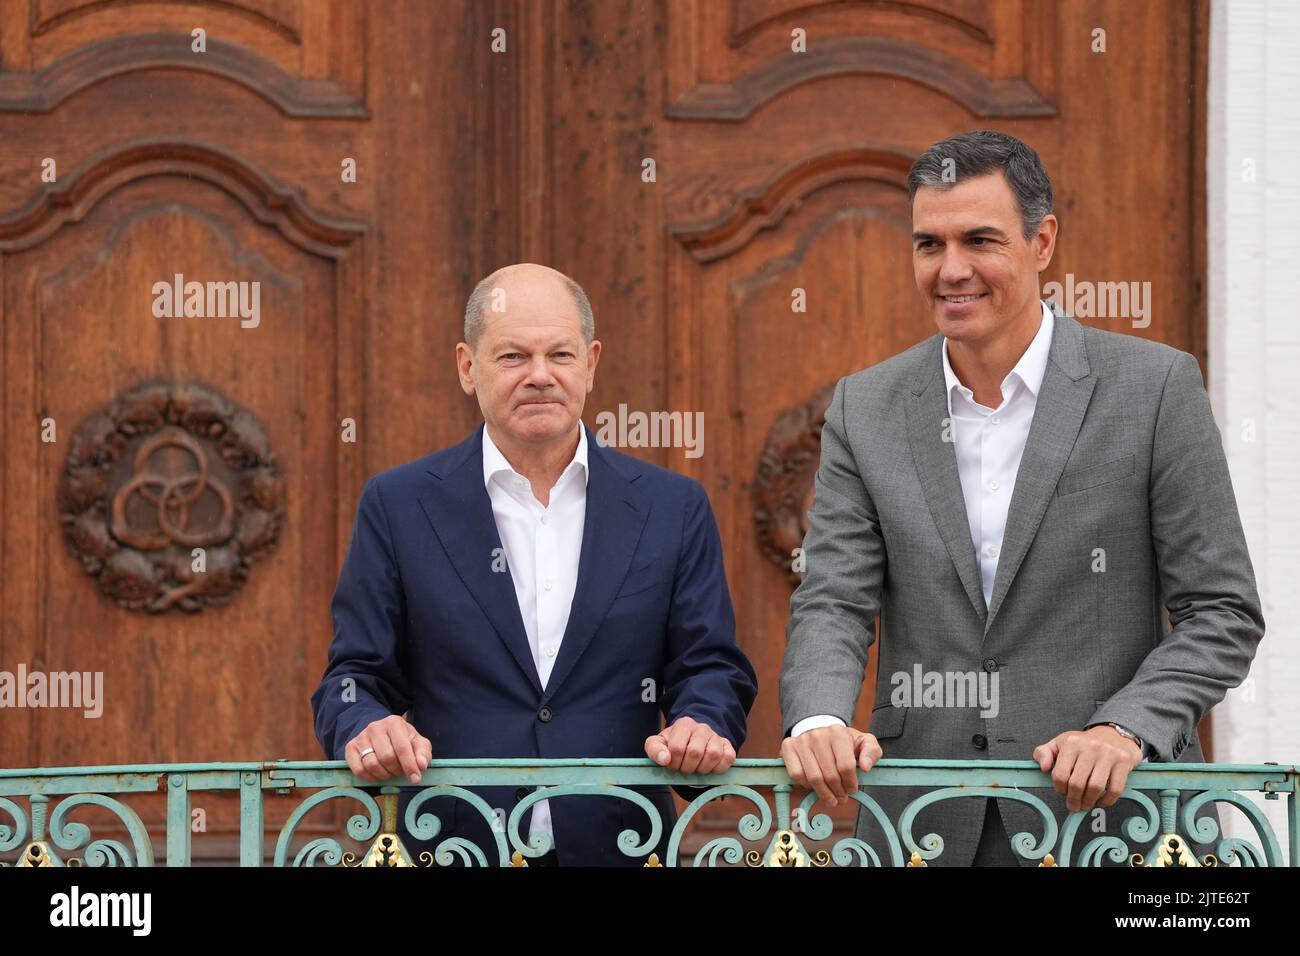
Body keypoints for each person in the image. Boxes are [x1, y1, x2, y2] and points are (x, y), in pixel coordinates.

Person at [779, 130, 1264, 866]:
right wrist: (817, 718)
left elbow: (1222, 612)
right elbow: (835, 599)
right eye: (928, 245)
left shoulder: (1156, 388)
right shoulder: (864, 406)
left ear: (1043, 243)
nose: (951, 271)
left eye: (979, 240)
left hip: (1115, 829)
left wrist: (1124, 729)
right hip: (922, 826)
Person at [312, 262, 757, 866]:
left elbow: (711, 669)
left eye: (561, 356)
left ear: (592, 363)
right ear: (469, 369)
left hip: (622, 848)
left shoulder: (671, 507)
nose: (540, 376)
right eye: (513, 357)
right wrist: (365, 724)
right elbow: (353, 679)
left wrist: (702, 722)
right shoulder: (398, 505)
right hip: (453, 849)